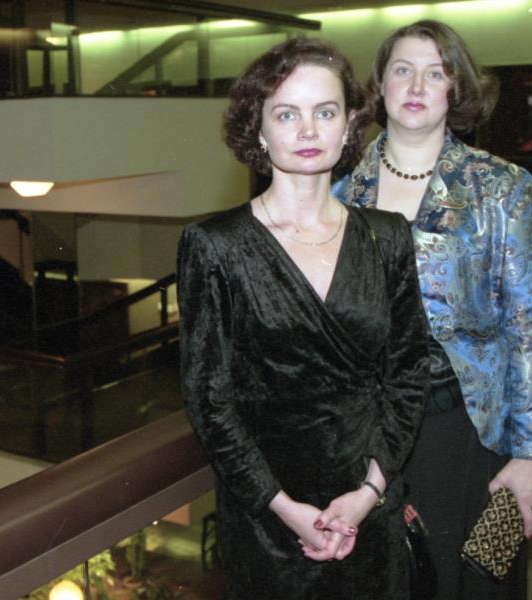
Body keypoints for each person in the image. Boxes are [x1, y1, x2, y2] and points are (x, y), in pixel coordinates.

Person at [177, 38, 429, 599]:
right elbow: (209, 398)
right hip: (269, 516)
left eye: (325, 112)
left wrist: (369, 492)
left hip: (370, 501)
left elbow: (410, 369)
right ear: (259, 129)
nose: (309, 130)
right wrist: (283, 507)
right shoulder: (215, 246)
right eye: (287, 114)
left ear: (349, 126)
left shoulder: (387, 236)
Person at [334, 20, 532, 600]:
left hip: (466, 429)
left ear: (456, 90)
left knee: (474, 581)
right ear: (380, 85)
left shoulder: (500, 186)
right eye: (403, 70)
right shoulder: (339, 192)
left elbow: (527, 324)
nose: (416, 85)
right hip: (370, 434)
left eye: (436, 73)